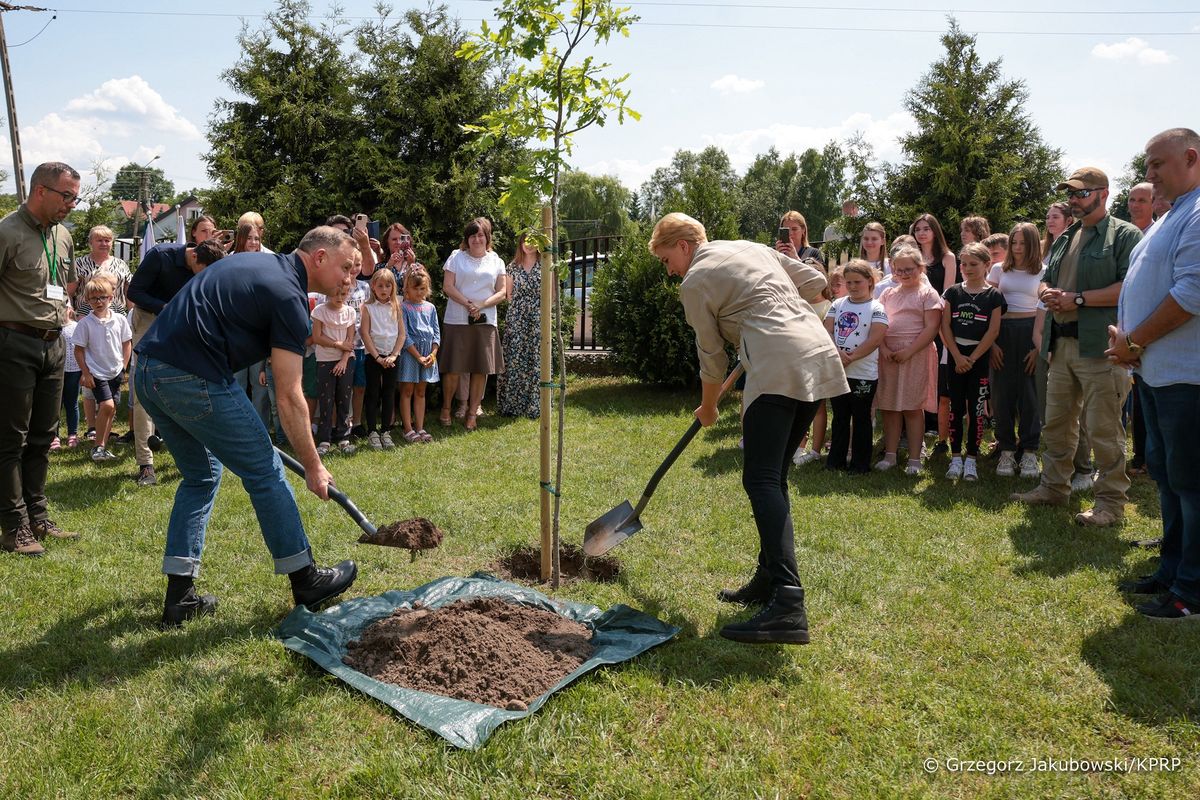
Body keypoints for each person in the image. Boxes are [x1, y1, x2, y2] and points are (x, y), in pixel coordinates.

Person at [134, 226, 359, 627]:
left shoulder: (254, 263)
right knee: (265, 471)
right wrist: (312, 465)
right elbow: (290, 396)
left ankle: (180, 596)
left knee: (201, 477)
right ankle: (305, 578)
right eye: (345, 268)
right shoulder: (289, 297)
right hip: (191, 375)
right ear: (319, 258)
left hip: (149, 372)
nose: (349, 279)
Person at [651, 212, 847, 645]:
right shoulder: (751, 248)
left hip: (778, 365)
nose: (670, 271)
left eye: (667, 260)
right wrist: (767, 311)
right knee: (774, 477)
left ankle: (789, 604)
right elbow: (818, 285)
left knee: (760, 480)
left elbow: (711, 357)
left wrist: (707, 407)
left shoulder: (696, 280)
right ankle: (769, 580)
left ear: (684, 245)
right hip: (816, 353)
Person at [1012, 167, 1143, 527]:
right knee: (1056, 424)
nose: (1074, 200)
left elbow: (1127, 287)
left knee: (1103, 429)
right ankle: (1054, 488)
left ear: (1103, 193)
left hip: (1100, 347)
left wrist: (1079, 300)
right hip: (1061, 345)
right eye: (1071, 194)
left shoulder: (1124, 235)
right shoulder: (1067, 235)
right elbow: (1046, 280)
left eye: (1081, 194)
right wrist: (1047, 294)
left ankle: (1110, 506)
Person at [1106, 127, 1200, 619]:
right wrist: (1131, 345)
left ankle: (1192, 591)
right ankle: (1171, 571)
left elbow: (1191, 294)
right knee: (1167, 474)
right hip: (1156, 371)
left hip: (1187, 376)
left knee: (1191, 481)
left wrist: (1134, 340)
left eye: (1156, 165)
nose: (1147, 176)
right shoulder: (1173, 215)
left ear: (1190, 157)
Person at [0, 162, 81, 556]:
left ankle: (38, 517)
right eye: (66, 195)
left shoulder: (62, 235)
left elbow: (60, 286)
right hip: (14, 344)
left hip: (54, 343)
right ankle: (13, 526)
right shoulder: (6, 231)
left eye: (75, 197)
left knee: (43, 436)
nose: (72, 203)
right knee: (10, 439)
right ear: (40, 191)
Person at [126, 217, 222, 486]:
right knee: (144, 387)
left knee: (185, 385)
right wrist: (163, 307)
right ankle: (145, 464)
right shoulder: (160, 255)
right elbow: (134, 291)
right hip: (148, 320)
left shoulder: (206, 262)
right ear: (192, 255)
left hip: (181, 323)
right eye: (199, 271)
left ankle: (190, 454)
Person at [875, 246, 943, 474]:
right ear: (893, 270)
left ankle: (914, 458)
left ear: (920, 268)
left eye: (909, 269)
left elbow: (931, 327)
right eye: (899, 269)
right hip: (889, 355)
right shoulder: (887, 294)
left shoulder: (927, 294)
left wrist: (909, 351)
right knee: (890, 406)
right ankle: (891, 455)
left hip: (916, 353)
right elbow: (879, 324)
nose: (904, 273)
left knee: (912, 407)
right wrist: (883, 346)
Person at [941, 243, 1005, 481]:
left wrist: (973, 357)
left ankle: (972, 459)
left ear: (987, 265)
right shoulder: (953, 292)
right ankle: (955, 457)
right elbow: (944, 325)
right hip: (956, 357)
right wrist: (957, 356)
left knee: (975, 411)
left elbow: (994, 330)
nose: (967, 268)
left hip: (978, 358)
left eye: (974, 264)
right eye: (964, 264)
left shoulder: (994, 295)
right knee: (955, 409)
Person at [987, 223, 1045, 479]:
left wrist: (1038, 347)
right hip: (1002, 331)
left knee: (1030, 394)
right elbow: (987, 306)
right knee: (1002, 393)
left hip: (1031, 330)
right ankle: (1007, 449)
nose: (1018, 248)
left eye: (1023, 243)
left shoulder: (1044, 271)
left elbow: (1046, 309)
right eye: (1014, 243)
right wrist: (992, 343)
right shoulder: (999, 269)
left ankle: (1030, 450)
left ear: (1033, 244)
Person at [438, 217, 507, 432]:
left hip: (485, 322)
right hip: (457, 318)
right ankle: (447, 409)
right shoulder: (456, 257)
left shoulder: (496, 260)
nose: (476, 239)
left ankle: (472, 413)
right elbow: (448, 287)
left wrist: (481, 305)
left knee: (480, 369)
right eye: (472, 235)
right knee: (453, 368)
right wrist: (469, 304)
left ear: (487, 238)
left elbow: (502, 292)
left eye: (481, 235)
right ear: (466, 239)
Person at [824, 260, 888, 473]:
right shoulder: (837, 304)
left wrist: (851, 357)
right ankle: (835, 461)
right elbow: (828, 330)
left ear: (870, 281)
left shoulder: (877, 308)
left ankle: (860, 464)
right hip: (838, 371)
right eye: (848, 282)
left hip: (863, 374)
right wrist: (837, 354)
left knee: (861, 419)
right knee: (840, 417)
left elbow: (876, 337)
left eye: (857, 282)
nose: (852, 286)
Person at [779, 211, 832, 465]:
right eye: (785, 229)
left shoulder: (813, 255)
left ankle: (811, 445)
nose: (789, 234)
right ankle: (792, 441)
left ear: (803, 230)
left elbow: (817, 281)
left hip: (812, 315)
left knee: (813, 397)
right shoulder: (776, 252)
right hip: (789, 318)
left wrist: (794, 260)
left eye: (794, 229)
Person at [73, 275, 133, 463]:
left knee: (111, 409)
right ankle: (98, 447)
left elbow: (127, 343)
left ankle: (102, 446)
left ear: (111, 297)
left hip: (115, 370)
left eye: (102, 297)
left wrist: (123, 366)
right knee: (107, 405)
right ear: (87, 300)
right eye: (94, 298)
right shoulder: (85, 323)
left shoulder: (120, 320)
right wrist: (86, 372)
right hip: (96, 373)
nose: (98, 302)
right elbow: (79, 350)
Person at [910, 213, 957, 454]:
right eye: (918, 229)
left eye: (927, 228)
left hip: (937, 319)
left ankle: (935, 423)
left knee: (937, 370)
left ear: (935, 230)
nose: (922, 232)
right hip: (913, 319)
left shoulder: (947, 257)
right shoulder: (913, 258)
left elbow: (947, 293)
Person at [230, 223, 274, 434]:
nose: (254, 242)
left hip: (258, 334)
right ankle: (237, 430)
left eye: (257, 238)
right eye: (250, 238)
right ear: (241, 240)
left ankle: (260, 431)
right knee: (236, 383)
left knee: (260, 386)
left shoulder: (267, 263)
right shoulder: (230, 262)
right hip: (236, 334)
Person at [498, 232, 543, 419]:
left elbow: (552, 297)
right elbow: (508, 296)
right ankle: (513, 406)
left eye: (533, 241)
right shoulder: (512, 267)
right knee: (515, 357)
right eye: (525, 241)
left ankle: (534, 406)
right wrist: (521, 309)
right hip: (517, 317)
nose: (528, 245)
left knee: (536, 357)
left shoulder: (546, 266)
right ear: (520, 243)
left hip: (538, 317)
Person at [311, 282, 358, 456]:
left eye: (344, 294)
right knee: (326, 400)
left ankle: (343, 437)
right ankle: (324, 439)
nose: (340, 298)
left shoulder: (351, 312)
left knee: (344, 400)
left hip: (345, 361)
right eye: (336, 294)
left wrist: (344, 360)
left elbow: (350, 340)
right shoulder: (319, 311)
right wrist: (337, 344)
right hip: (325, 360)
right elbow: (317, 337)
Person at [360, 268, 404, 449]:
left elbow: (402, 334)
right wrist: (377, 357)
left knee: (389, 393)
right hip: (374, 356)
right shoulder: (368, 307)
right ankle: (372, 431)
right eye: (380, 286)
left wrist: (394, 355)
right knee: (373, 393)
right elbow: (364, 333)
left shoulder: (397, 306)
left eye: (388, 285)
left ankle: (386, 430)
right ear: (373, 287)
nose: (384, 289)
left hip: (392, 357)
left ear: (393, 287)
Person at [399, 270, 441, 442]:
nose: (419, 292)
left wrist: (433, 353)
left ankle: (420, 427)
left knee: (421, 391)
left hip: (428, 356)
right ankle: (408, 428)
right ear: (407, 288)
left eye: (422, 288)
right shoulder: (403, 307)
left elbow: (437, 332)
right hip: (411, 354)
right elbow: (404, 335)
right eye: (415, 288)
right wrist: (418, 356)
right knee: (407, 390)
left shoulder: (430, 308)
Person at [56, 311, 82, 450]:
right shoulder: (54, 327)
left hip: (74, 371)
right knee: (55, 405)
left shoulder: (77, 327)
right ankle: (54, 436)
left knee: (72, 403)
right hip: (56, 371)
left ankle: (73, 434)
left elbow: (82, 348)